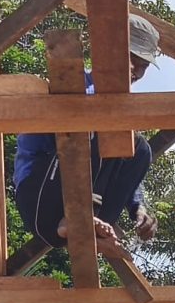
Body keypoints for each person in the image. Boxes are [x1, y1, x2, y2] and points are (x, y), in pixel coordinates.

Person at [9, 14, 164, 260]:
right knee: (96, 122)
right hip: (40, 198)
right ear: (109, 53)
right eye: (131, 60)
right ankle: (72, 219)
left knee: (139, 147)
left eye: (143, 66)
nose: (136, 71)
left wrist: (138, 209)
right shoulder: (76, 85)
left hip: (74, 216)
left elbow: (125, 159)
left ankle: (88, 226)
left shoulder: (120, 114)